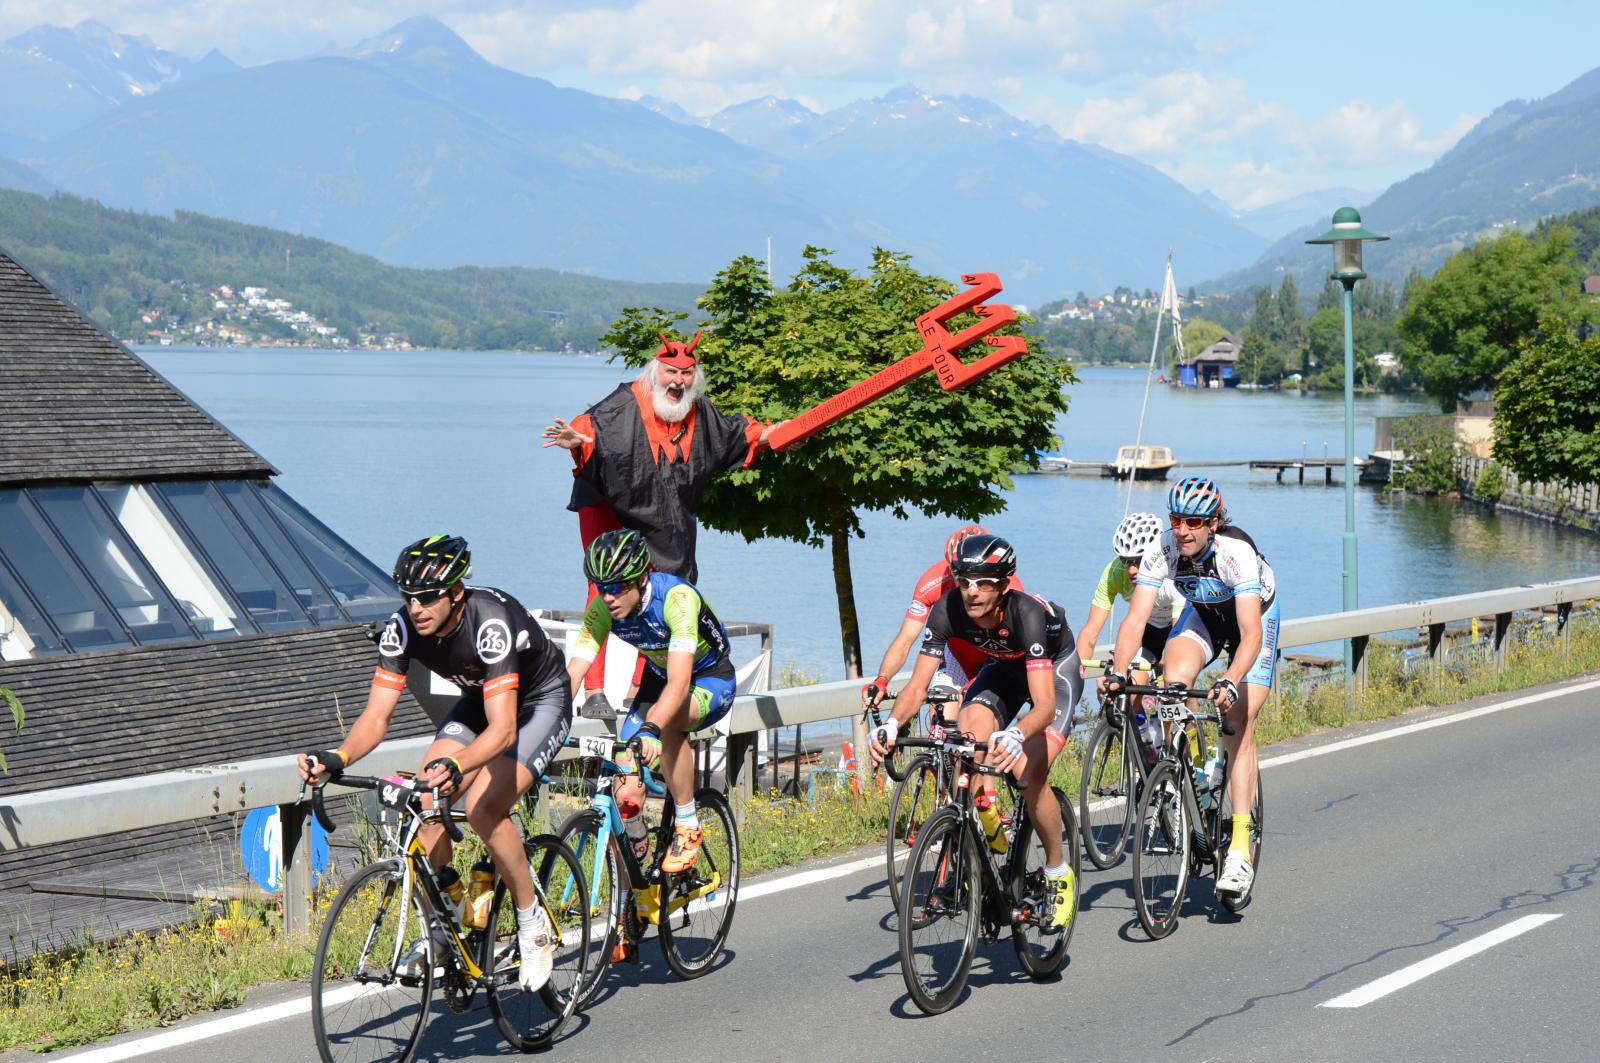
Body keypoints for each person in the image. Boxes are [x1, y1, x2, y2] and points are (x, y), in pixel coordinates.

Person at [298, 535, 572, 991]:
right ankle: (445, 925)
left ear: (456, 594)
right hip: (481, 700)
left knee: (484, 807)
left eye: (427, 597)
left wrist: (460, 765)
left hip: (539, 702)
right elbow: (377, 715)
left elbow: (503, 730)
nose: (416, 607)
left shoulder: (490, 625)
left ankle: (532, 923)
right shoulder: (402, 628)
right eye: (408, 596)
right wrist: (338, 755)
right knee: (425, 798)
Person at [541, 333, 780, 708]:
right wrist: (578, 440)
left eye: (686, 375)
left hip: (659, 508)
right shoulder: (626, 402)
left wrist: (780, 435)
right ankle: (594, 689)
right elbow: (591, 426)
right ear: (657, 372)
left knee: (662, 584)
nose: (678, 382)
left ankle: (643, 687)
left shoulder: (698, 411)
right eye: (670, 372)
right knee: (604, 579)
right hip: (607, 501)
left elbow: (740, 433)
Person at [867, 533, 1083, 930]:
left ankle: (1057, 872)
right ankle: (984, 830)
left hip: (1054, 672)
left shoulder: (1026, 614)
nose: (971, 591)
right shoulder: (947, 609)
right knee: (966, 735)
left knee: (1028, 772)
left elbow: (1045, 705)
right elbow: (917, 686)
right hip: (1002, 668)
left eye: (983, 582)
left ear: (1003, 585)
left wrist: (1016, 734)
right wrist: (892, 723)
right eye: (964, 580)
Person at [1103, 477, 1279, 900]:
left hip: (1250, 624)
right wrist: (1118, 670)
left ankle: (1238, 847)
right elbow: (1135, 619)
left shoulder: (1236, 552)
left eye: (1194, 522)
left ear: (1214, 522)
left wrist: (1231, 680)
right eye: (1177, 519)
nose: (1183, 530)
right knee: (1171, 685)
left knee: (1238, 723)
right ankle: (1177, 772)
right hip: (1202, 616)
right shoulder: (1162, 550)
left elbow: (1250, 633)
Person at [564, 529, 737, 880]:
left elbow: (679, 683)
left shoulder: (677, 599)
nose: (608, 597)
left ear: (641, 578)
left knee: (668, 723)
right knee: (624, 785)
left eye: (617, 587)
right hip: (660, 676)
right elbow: (573, 672)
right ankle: (633, 892)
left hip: (708, 678)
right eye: (600, 587)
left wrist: (652, 727)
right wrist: (546, 720)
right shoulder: (602, 608)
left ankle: (687, 824)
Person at [861, 524, 1029, 708]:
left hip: (998, 656)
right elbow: (905, 640)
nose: (961, 581)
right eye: (956, 571)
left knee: (978, 717)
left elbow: (1021, 643)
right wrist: (882, 680)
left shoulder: (1007, 587)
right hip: (958, 654)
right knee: (940, 714)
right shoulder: (932, 582)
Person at [1075, 511, 1183, 688]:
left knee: (1175, 681)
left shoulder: (1172, 573)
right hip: (1147, 629)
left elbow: (1178, 634)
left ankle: (1188, 712)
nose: (1132, 570)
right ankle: (1133, 716)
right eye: (1126, 560)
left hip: (1179, 628)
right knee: (1127, 685)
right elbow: (1091, 631)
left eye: (1139, 561)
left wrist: (1165, 672)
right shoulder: (1115, 572)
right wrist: (1075, 674)